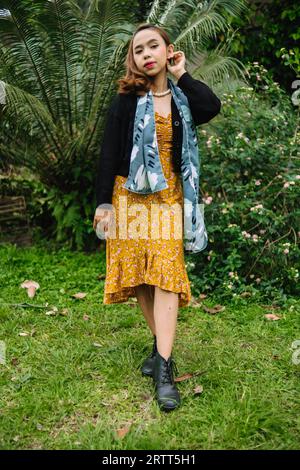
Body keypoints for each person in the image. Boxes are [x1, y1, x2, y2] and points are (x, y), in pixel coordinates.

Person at [93, 23, 221, 412]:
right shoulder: (126, 99)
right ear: (133, 59)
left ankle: (163, 369)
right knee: (142, 279)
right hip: (128, 197)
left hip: (168, 199)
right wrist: (103, 204)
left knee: (166, 273)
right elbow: (108, 151)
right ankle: (160, 350)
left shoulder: (183, 99)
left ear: (169, 51)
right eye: (139, 50)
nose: (146, 54)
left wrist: (183, 75)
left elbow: (211, 107)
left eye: (154, 46)